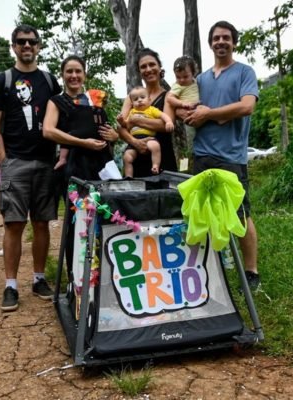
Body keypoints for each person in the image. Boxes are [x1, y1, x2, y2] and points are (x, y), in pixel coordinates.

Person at [0, 24, 62, 312]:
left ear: (39, 46)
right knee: (14, 223)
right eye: (21, 42)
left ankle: (39, 278)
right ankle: (11, 285)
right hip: (15, 161)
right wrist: (3, 159)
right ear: (13, 46)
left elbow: (61, 115)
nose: (26, 46)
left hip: (45, 162)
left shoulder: (49, 80)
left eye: (31, 42)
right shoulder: (2, 80)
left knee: (42, 222)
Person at [183, 20, 261, 290]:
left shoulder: (244, 72)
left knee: (239, 214)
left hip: (231, 156)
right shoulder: (201, 79)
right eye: (216, 38)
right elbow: (186, 106)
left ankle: (251, 272)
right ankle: (210, 268)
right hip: (202, 154)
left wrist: (209, 114)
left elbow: (247, 106)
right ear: (210, 43)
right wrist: (191, 114)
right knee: (203, 214)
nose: (221, 42)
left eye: (226, 37)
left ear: (234, 42)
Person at [43, 55, 118, 182]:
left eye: (78, 71)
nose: (74, 75)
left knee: (105, 201)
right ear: (62, 75)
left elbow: (106, 131)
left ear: (85, 75)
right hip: (74, 165)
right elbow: (48, 131)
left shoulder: (95, 100)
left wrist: (114, 137)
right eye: (69, 71)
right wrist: (83, 142)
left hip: (102, 165)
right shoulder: (56, 101)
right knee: (80, 202)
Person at [117, 48, 178, 177]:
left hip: (162, 158)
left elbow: (166, 125)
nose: (148, 69)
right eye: (143, 67)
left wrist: (136, 120)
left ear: (160, 67)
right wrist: (136, 143)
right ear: (139, 72)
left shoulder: (168, 96)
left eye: (152, 64)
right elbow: (121, 128)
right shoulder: (131, 97)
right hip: (135, 159)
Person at [123, 86, 174, 176]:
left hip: (149, 137)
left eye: (142, 98)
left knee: (155, 146)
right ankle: (128, 177)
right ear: (132, 103)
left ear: (149, 100)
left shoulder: (151, 110)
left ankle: (155, 165)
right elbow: (124, 125)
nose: (139, 100)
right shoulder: (132, 112)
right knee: (127, 156)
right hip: (134, 137)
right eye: (136, 99)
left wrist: (169, 121)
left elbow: (163, 115)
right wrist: (121, 121)